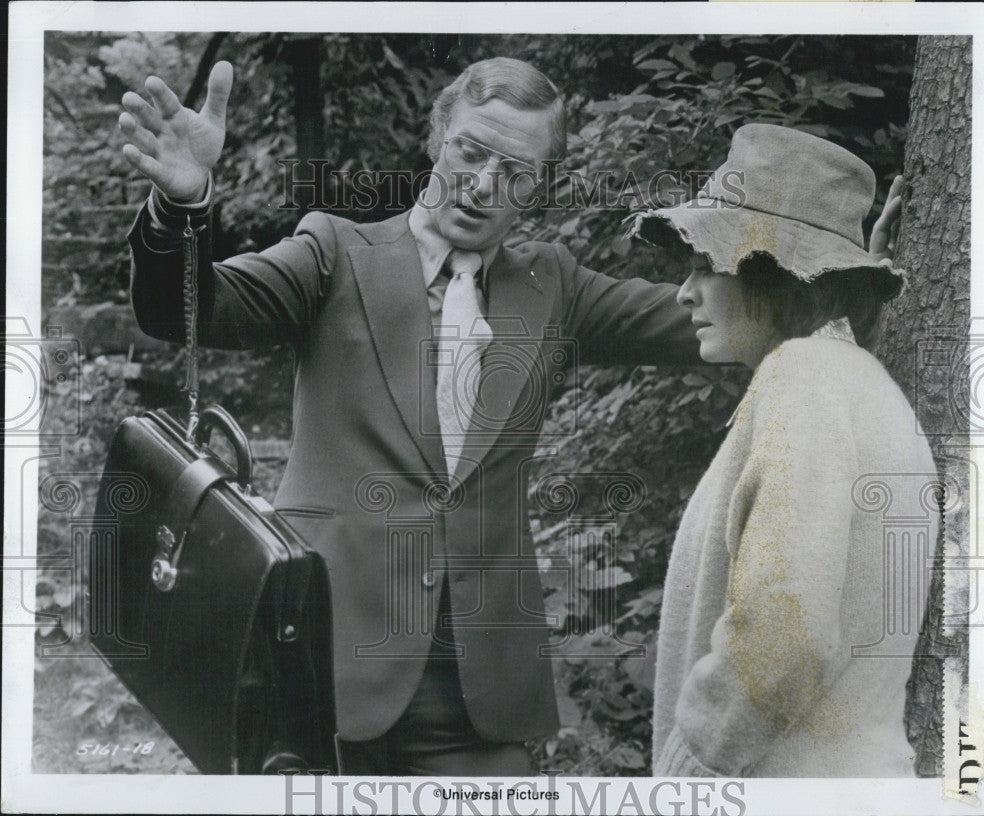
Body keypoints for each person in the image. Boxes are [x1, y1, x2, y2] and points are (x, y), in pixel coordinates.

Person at [119, 57, 899, 776]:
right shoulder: (335, 252)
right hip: (318, 660)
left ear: (538, 186)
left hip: (478, 697)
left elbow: (734, 315)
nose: (484, 183)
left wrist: (833, 276)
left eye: (515, 171)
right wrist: (182, 203)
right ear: (438, 140)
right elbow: (186, 308)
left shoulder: (553, 287)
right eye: (470, 152)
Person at [630, 123, 935, 777]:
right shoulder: (844, 383)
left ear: (773, 273)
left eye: (703, 264)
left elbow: (786, 636)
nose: (684, 292)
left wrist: (693, 766)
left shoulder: (805, 379)